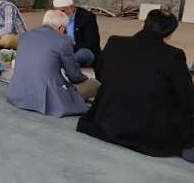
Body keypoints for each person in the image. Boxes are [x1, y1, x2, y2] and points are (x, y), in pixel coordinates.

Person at [77, 10, 194, 163]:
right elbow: (188, 100)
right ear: (170, 34)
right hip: (149, 134)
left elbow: (100, 74)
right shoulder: (173, 55)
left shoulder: (114, 42)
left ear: (144, 24)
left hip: (108, 121)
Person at [6, 10, 100, 117]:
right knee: (94, 84)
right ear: (61, 28)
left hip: (18, 94)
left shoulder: (25, 36)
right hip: (47, 97)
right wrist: (85, 78)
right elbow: (74, 76)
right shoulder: (63, 40)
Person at [53, 0, 101, 68]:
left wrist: (69, 49)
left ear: (72, 7)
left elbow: (91, 42)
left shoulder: (87, 17)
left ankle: (60, 63)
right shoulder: (54, 17)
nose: (60, 14)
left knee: (83, 54)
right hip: (62, 52)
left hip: (79, 51)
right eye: (57, 11)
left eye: (63, 11)